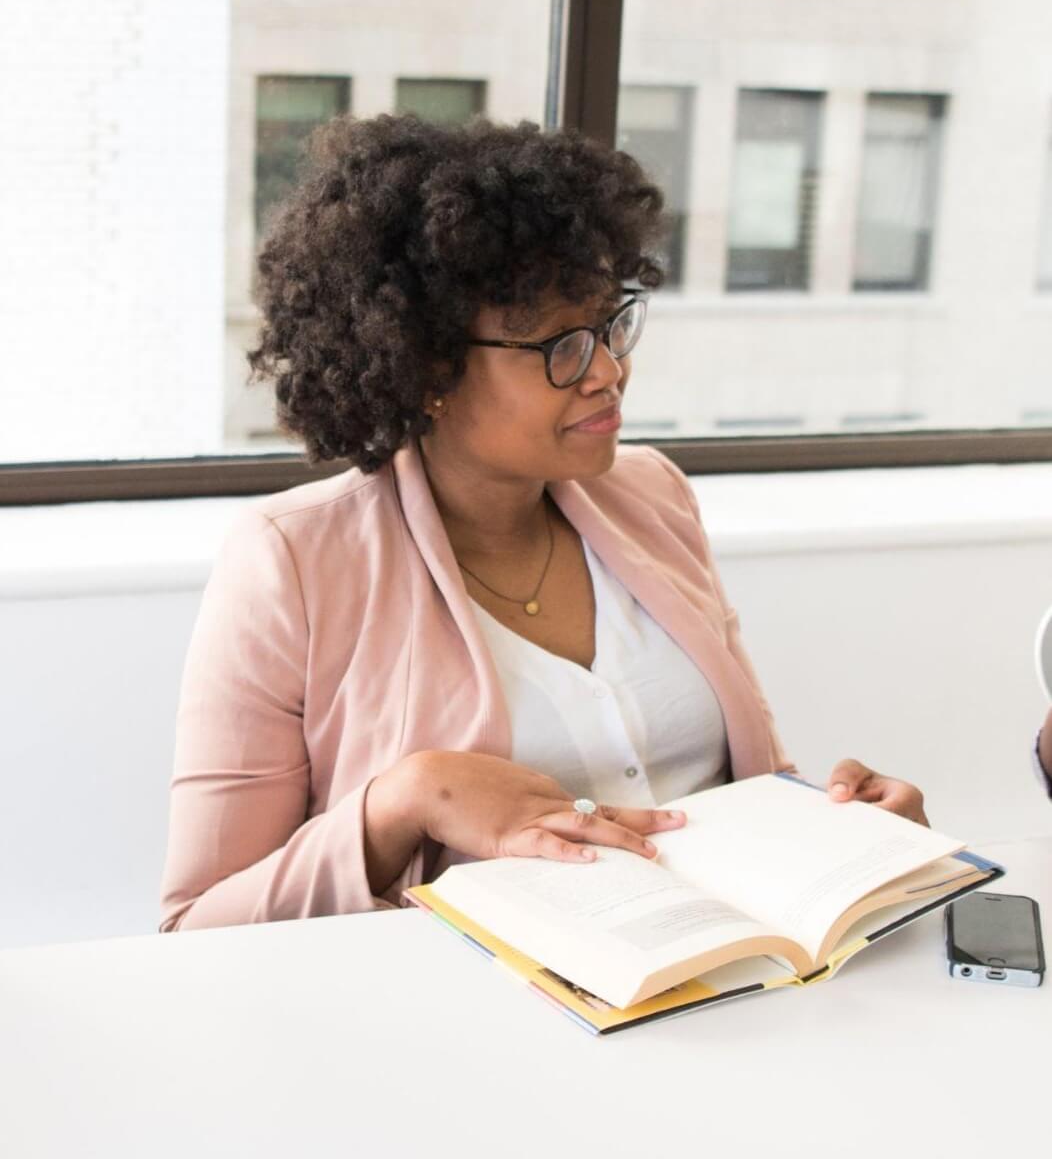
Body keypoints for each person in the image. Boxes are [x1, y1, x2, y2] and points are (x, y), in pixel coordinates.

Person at [159, 114, 926, 934]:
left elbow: (750, 790)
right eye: (560, 345)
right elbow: (199, 924)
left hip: (725, 972)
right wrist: (403, 802)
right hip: (474, 1000)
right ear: (426, 368)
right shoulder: (293, 562)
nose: (608, 372)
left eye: (610, 325)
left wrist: (847, 827)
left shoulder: (654, 496)